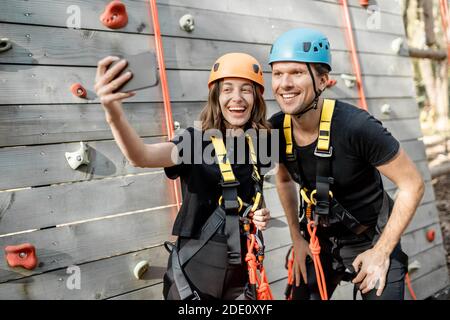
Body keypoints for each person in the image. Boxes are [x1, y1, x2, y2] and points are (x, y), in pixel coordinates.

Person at [94, 52, 273, 300]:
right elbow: (142, 156)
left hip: (243, 273)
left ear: (256, 97)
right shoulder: (193, 140)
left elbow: (254, 195)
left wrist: (261, 213)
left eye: (246, 90)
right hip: (196, 272)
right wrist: (113, 114)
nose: (237, 98)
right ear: (216, 96)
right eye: (227, 89)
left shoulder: (261, 144)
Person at [268, 28, 425, 300]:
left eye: (296, 73)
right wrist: (297, 237)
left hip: (371, 238)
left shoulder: (357, 127)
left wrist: (382, 251)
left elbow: (413, 184)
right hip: (318, 240)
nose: (285, 83)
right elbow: (283, 179)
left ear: (323, 81)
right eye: (278, 73)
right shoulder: (276, 128)